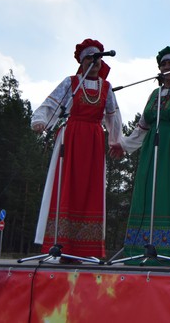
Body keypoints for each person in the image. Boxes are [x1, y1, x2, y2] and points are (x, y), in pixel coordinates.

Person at [31, 38, 123, 262]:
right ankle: (59, 244)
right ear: (82, 62)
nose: (95, 61)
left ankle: (85, 249)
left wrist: (116, 141)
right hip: (71, 138)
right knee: (66, 186)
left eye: (98, 58)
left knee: (90, 189)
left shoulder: (106, 87)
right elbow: (52, 103)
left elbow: (113, 117)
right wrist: (40, 121)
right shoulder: (71, 82)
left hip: (93, 141)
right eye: (90, 58)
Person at [110, 46, 170, 261]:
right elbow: (142, 126)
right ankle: (141, 248)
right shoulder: (154, 94)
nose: (166, 67)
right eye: (163, 65)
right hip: (152, 148)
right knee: (148, 193)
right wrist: (124, 144)